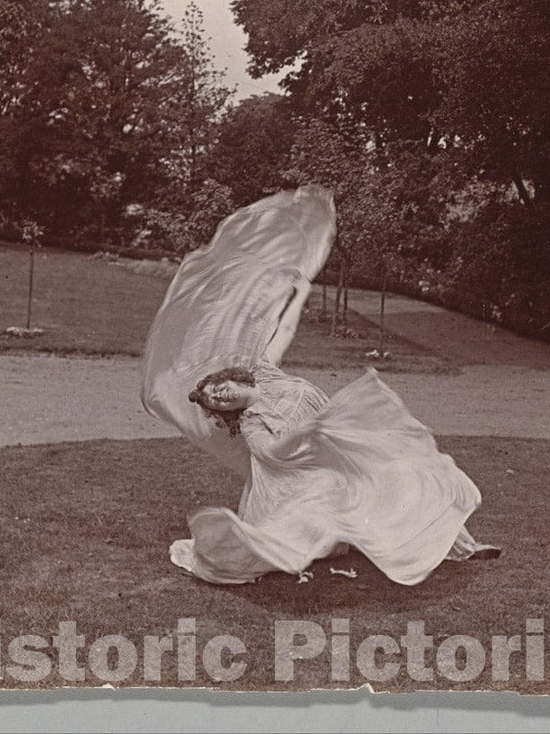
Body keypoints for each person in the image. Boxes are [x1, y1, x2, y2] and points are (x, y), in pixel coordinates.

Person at [140, 186, 499, 586]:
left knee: (403, 470)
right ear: (225, 412)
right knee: (355, 496)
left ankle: (462, 545)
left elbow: (286, 328)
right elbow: (275, 454)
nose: (219, 396)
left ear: (229, 378)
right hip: (298, 481)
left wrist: (301, 291)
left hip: (333, 449)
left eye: (217, 388)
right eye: (215, 403)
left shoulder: (264, 370)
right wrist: (309, 431)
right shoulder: (253, 424)